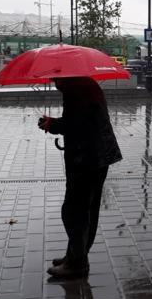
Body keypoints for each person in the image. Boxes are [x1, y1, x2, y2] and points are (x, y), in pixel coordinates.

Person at [38, 77, 122, 278]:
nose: (52, 80)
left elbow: (76, 123)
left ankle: (78, 262)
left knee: (73, 210)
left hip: (89, 157)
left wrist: (53, 125)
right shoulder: (80, 84)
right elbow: (80, 119)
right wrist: (55, 122)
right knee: (84, 210)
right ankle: (75, 254)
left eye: (54, 76)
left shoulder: (77, 88)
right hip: (93, 155)